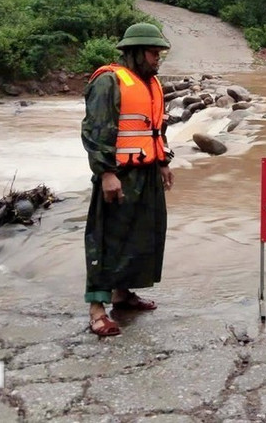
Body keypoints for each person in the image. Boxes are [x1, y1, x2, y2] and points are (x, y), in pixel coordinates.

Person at [81, 22, 175, 336]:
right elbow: (95, 132)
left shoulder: (151, 84)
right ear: (134, 53)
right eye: (152, 53)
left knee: (143, 236)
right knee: (108, 239)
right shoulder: (109, 82)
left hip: (146, 173)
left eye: (159, 53)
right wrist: (106, 173)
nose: (157, 59)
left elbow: (155, 129)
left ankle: (123, 295)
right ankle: (97, 310)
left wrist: (162, 162)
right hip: (119, 174)